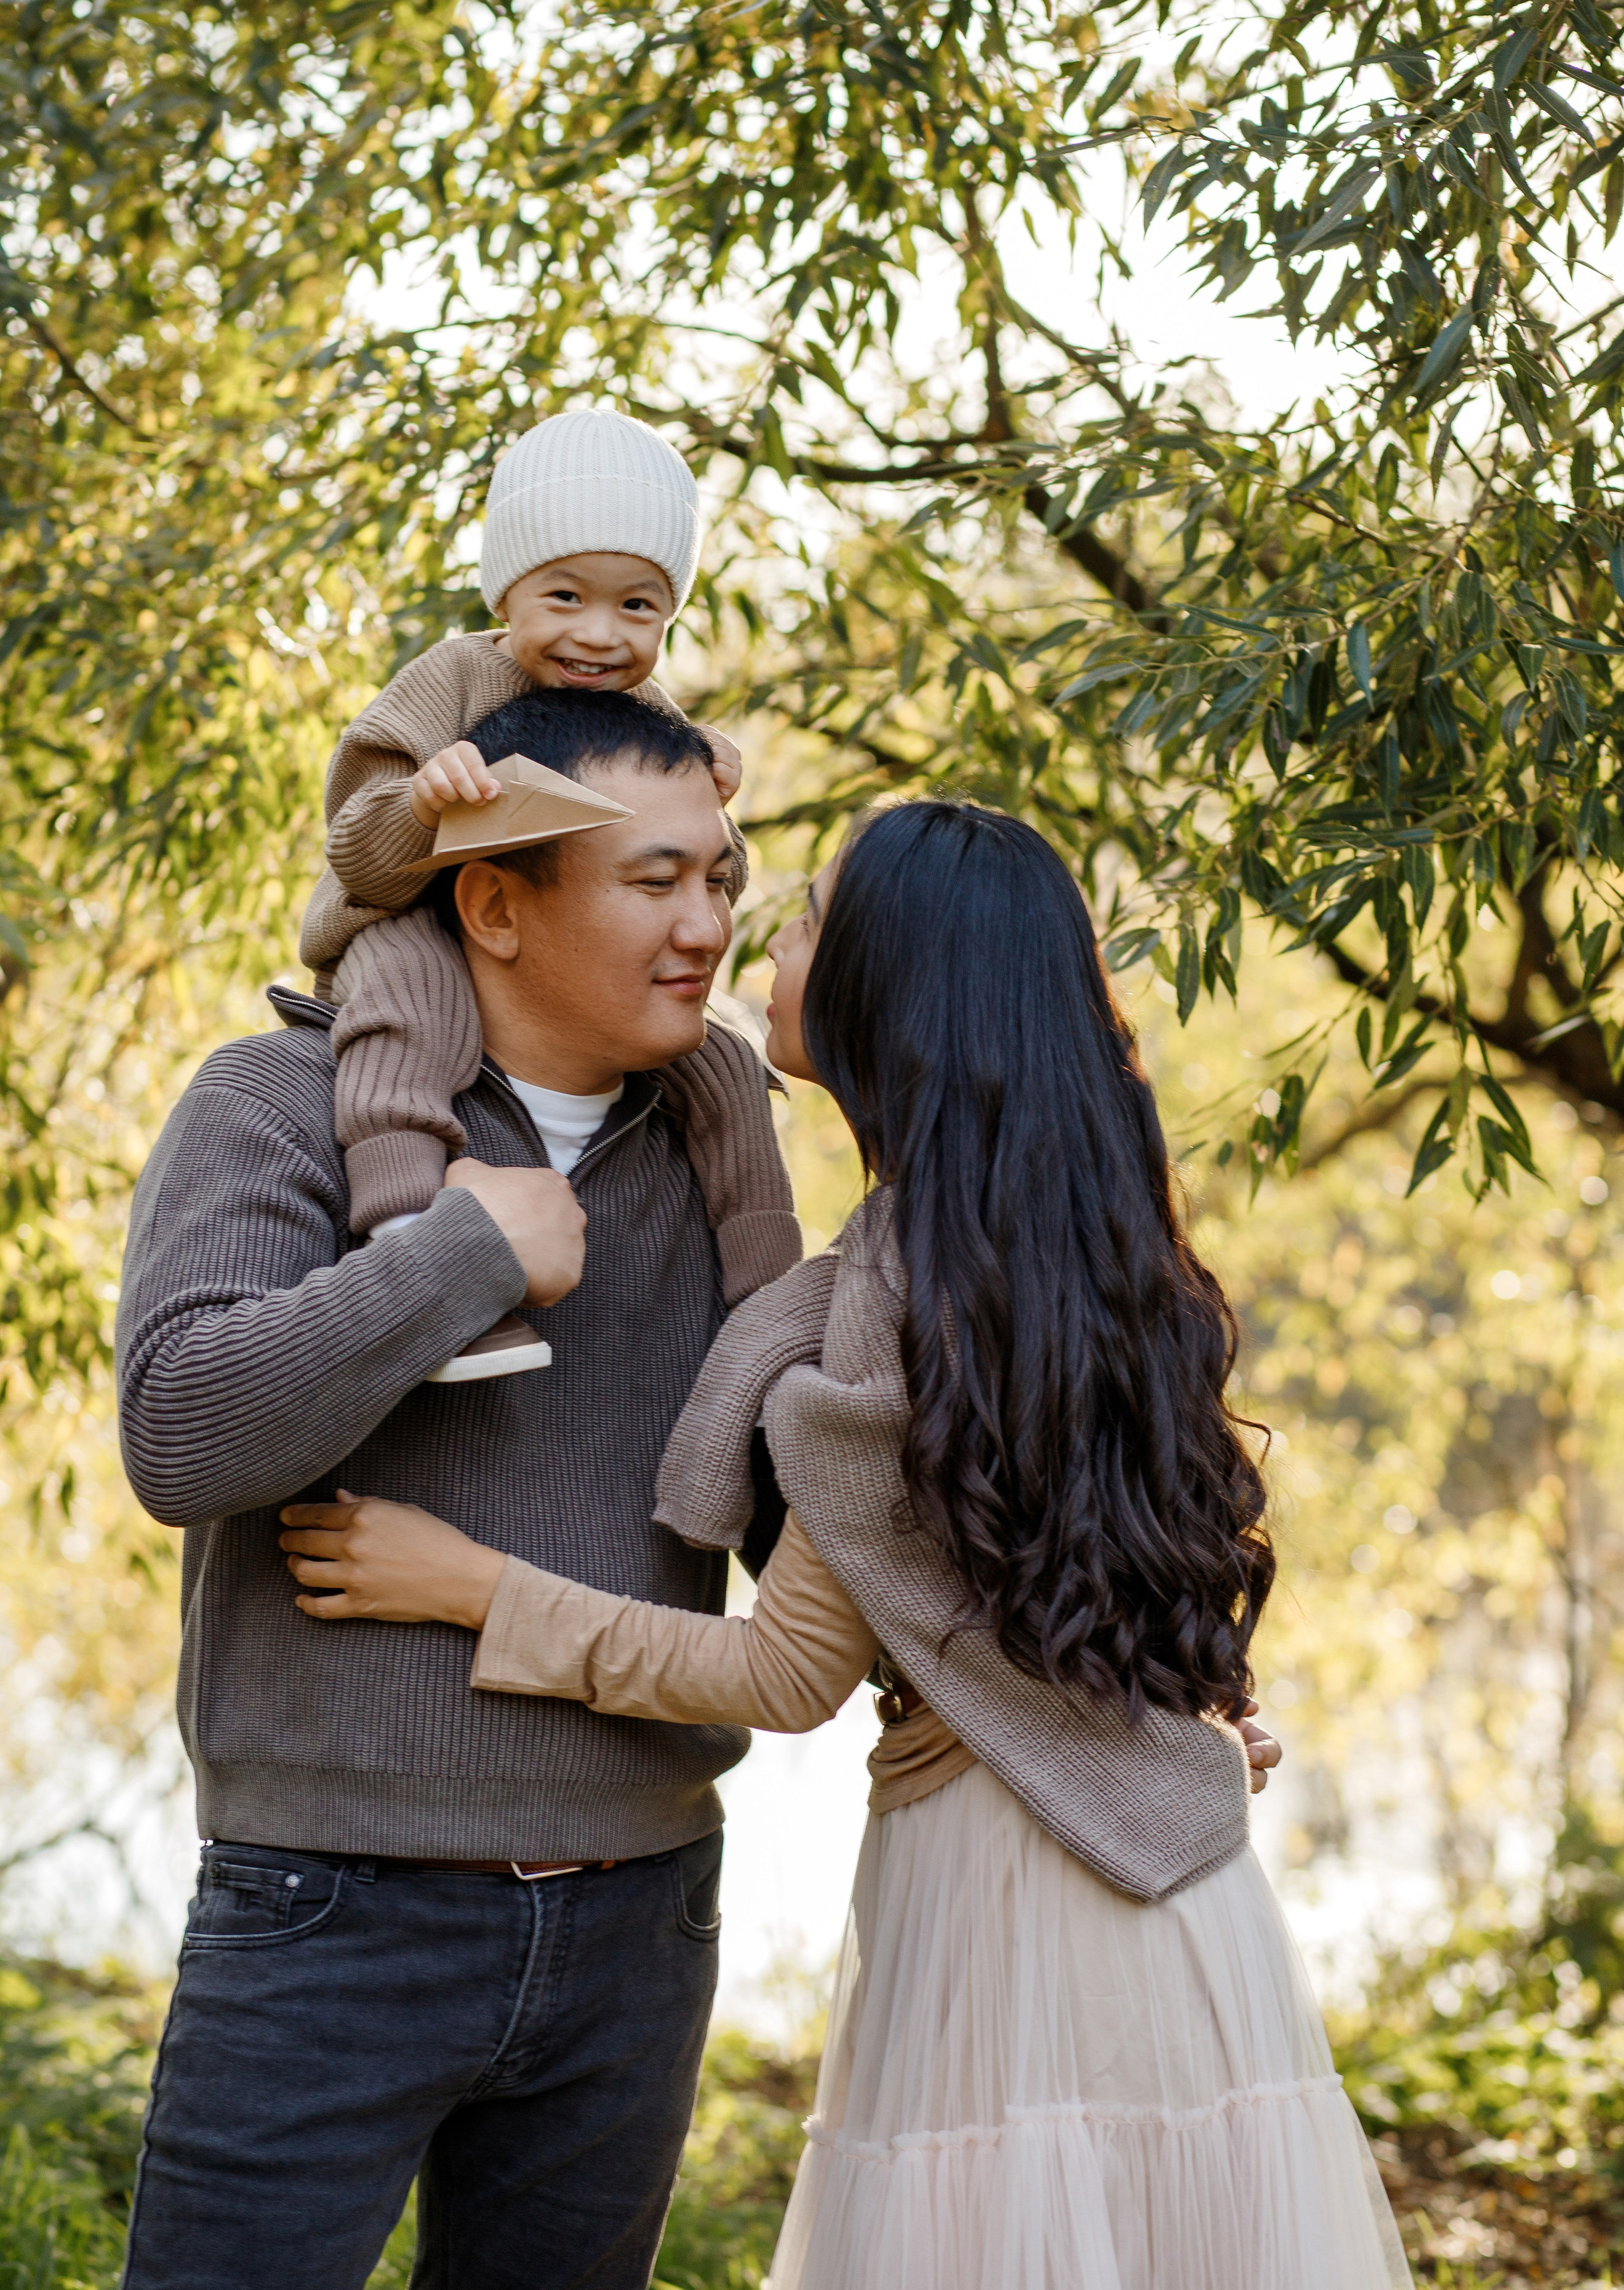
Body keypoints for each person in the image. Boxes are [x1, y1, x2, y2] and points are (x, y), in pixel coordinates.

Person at [281, 802, 1414, 2290]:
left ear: (892, 988)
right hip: (1184, 1910)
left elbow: (785, 1673)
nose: (758, 939)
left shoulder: (896, 1287)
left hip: (1018, 1903)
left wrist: (470, 1585)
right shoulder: (1091, 1246)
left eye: (806, 918)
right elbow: (1089, 1564)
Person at [115, 689, 795, 2290]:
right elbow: (183, 1437)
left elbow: (810, 1517)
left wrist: (1116, 1676)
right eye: (653, 881)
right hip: (330, 1909)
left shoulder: (713, 1153)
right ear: (493, 903)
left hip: (641, 1918)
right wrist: (462, 1254)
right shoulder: (271, 1104)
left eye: (719, 878)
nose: (704, 926)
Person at [301, 407, 799, 1357]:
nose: (600, 635)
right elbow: (355, 851)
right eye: (565, 597)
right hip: (405, 916)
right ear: (507, 590)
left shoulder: (646, 713)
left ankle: (770, 1310)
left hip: (557, 961)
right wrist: (422, 803)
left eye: (638, 607)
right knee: (412, 1012)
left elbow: (705, 870)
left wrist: (708, 807)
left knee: (731, 1064)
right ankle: (408, 1232)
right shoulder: (449, 681)